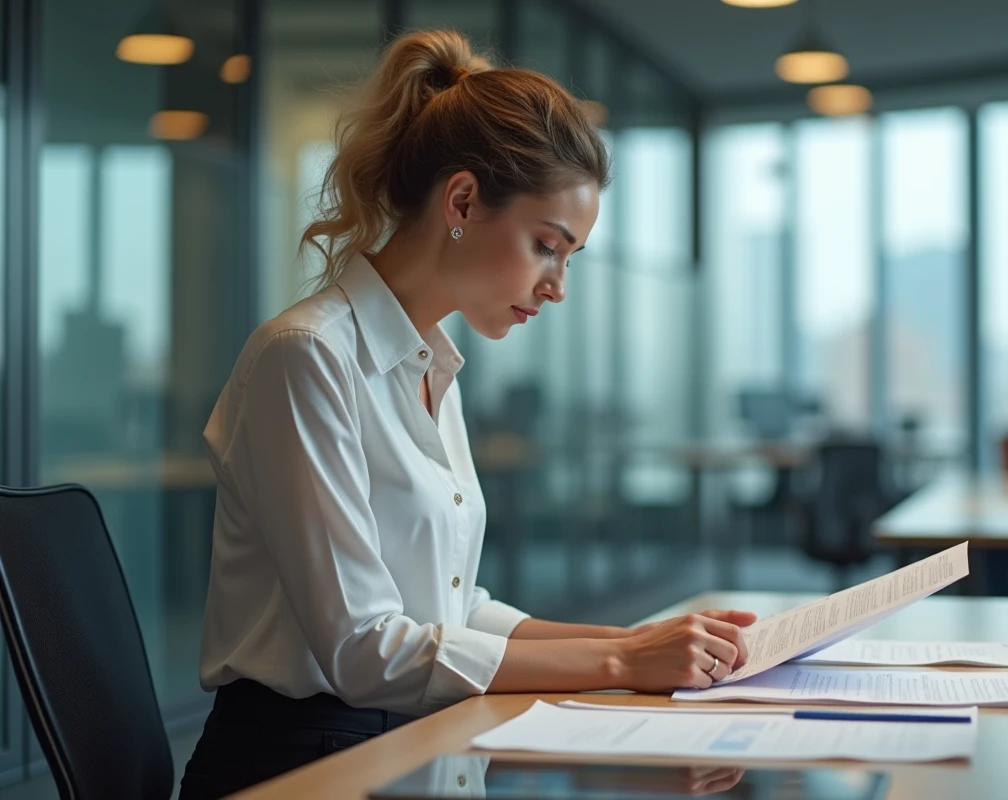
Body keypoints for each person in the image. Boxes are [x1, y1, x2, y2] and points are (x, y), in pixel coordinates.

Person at [179, 29, 756, 799]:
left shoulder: (432, 363)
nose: (557, 285)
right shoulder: (308, 356)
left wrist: (637, 641)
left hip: (418, 744)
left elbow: (454, 607)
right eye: (547, 246)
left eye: (570, 257)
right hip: (304, 765)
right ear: (461, 201)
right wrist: (620, 664)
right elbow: (363, 649)